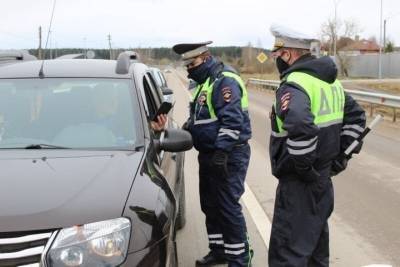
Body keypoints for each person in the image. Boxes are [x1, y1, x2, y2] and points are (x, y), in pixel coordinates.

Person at [268, 24, 366, 266]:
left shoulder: (294, 83)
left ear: (288, 54)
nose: (277, 60)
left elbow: (301, 125)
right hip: (322, 181)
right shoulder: (331, 82)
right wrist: (341, 155)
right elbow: (357, 119)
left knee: (288, 254)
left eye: (278, 55)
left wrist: (303, 168)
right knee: (315, 252)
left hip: (299, 183)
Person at [172, 41, 253, 267]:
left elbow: (232, 120)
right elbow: (201, 118)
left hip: (229, 155)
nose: (189, 68)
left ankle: (239, 260)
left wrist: (222, 152)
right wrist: (184, 130)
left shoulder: (225, 81)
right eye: (187, 64)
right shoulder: (204, 82)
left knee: (228, 207)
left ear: (205, 58)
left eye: (193, 63)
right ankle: (219, 251)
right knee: (210, 205)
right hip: (209, 154)